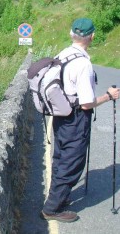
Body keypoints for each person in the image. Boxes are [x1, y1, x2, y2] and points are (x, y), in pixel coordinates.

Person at [41, 18, 120, 223]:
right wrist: (109, 96)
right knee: (72, 163)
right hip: (75, 118)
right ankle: (52, 209)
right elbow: (86, 103)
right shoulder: (83, 63)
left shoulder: (63, 54)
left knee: (61, 159)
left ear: (71, 34)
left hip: (61, 115)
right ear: (92, 36)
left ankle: (59, 197)